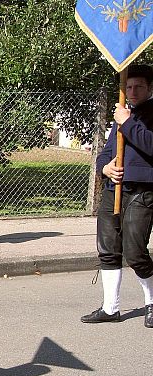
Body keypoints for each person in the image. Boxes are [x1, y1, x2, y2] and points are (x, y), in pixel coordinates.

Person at [81, 64, 153, 329]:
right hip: (114, 190)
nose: (132, 92)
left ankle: (151, 303)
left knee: (135, 252)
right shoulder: (123, 115)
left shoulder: (136, 115)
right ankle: (111, 308)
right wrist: (104, 167)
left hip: (141, 192)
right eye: (129, 87)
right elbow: (106, 151)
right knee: (108, 250)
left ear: (149, 88)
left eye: (138, 87)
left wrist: (128, 121)